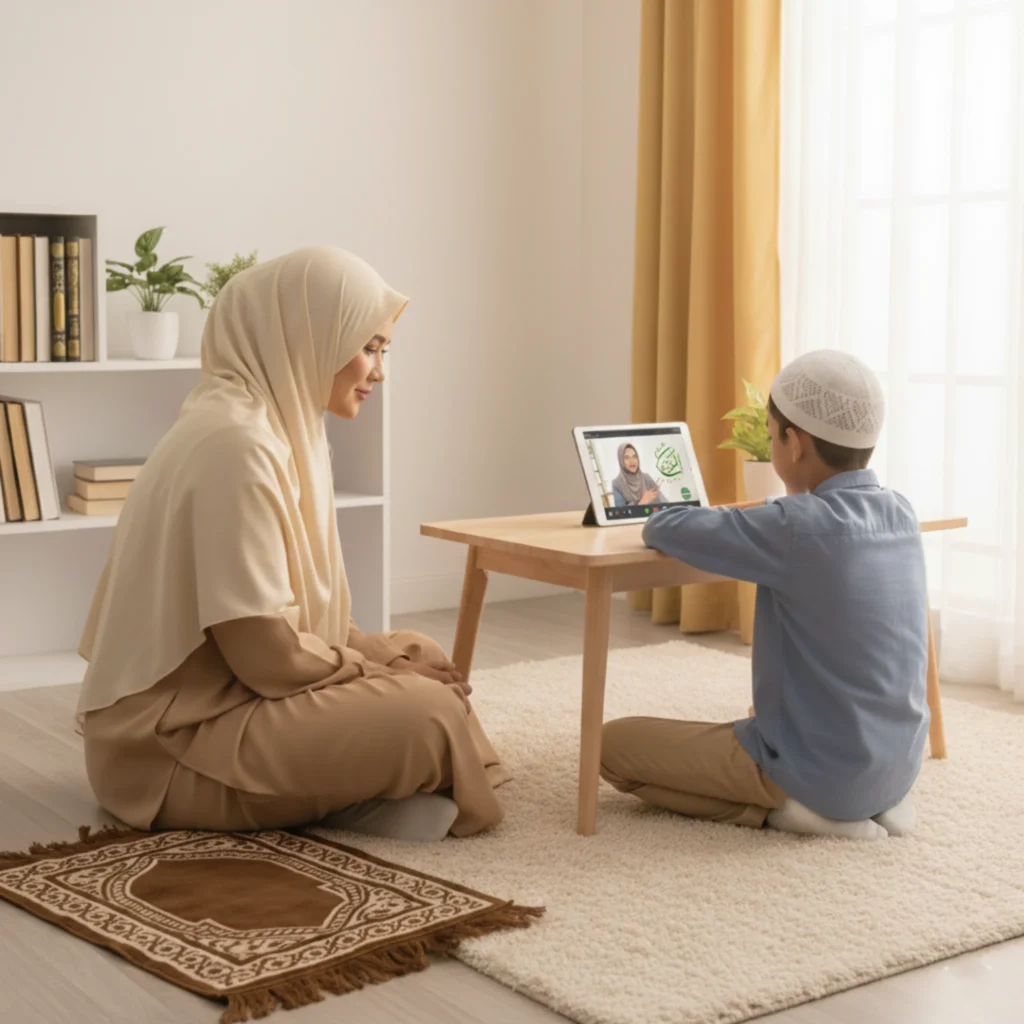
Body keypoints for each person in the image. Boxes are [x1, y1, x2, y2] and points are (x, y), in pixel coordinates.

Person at [77, 247, 509, 842]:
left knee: (418, 651)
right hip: (174, 750)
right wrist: (377, 674)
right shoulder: (235, 446)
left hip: (236, 697)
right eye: (368, 348)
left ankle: (359, 790)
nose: (379, 372)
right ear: (308, 336)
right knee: (426, 711)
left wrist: (387, 661)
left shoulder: (274, 427)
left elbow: (300, 616)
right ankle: (366, 794)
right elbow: (267, 657)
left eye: (383, 350)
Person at [601, 350, 928, 840]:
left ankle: (789, 811)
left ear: (794, 444)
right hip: (898, 770)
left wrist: (753, 515)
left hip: (817, 773)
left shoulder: (794, 526)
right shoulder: (901, 511)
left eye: (774, 435)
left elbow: (663, 526)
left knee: (608, 747)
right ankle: (862, 804)